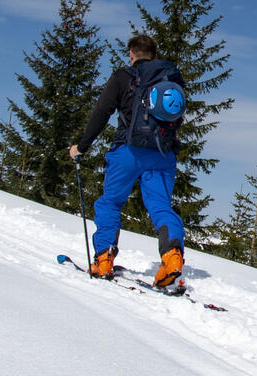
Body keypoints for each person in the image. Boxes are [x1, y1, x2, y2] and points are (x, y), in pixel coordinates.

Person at [70, 34, 186, 288]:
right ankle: (173, 257)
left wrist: (82, 146)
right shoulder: (169, 78)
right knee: (160, 207)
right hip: (162, 153)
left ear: (131, 54)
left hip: (128, 152)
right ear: (154, 56)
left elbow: (102, 111)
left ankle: (103, 259)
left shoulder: (123, 76)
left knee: (110, 203)